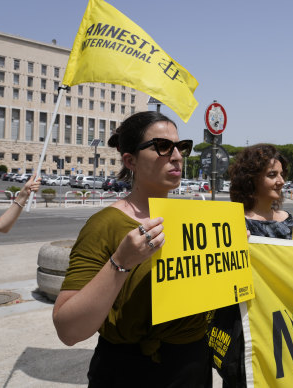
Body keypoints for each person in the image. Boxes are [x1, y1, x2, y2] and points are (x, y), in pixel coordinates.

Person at [52, 111, 211, 387]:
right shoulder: (105, 225)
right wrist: (121, 261)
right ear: (130, 160)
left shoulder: (198, 220)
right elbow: (68, 330)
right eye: (163, 146)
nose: (176, 156)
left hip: (194, 369)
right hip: (129, 372)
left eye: (181, 147)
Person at [209, 144, 292, 388]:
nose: (281, 181)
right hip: (248, 332)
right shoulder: (233, 224)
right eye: (272, 175)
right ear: (250, 180)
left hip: (287, 330)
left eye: (281, 174)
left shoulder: (292, 221)